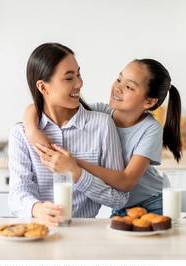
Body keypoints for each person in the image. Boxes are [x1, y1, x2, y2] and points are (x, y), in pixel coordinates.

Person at [25, 58, 182, 216]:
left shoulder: (150, 129)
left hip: (153, 203)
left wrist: (73, 164)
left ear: (148, 102)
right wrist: (32, 130)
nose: (118, 88)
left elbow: (126, 182)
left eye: (129, 87)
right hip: (121, 207)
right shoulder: (99, 113)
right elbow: (39, 107)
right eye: (119, 79)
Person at [8, 42, 129, 226]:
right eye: (68, 78)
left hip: (87, 237)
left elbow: (119, 200)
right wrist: (38, 209)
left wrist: (77, 173)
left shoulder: (102, 125)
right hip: (40, 234)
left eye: (79, 74)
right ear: (43, 87)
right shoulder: (21, 134)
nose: (79, 83)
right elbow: (17, 195)